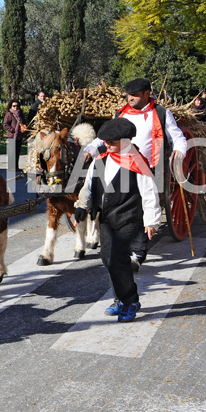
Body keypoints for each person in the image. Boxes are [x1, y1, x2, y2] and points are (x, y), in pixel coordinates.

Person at [83, 78, 187, 269]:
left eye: (135, 95)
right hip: (122, 164)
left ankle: (137, 254)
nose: (130, 98)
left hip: (149, 166)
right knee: (123, 206)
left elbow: (177, 136)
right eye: (128, 95)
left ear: (147, 94)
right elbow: (107, 135)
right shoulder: (121, 113)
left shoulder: (161, 113)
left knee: (140, 207)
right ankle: (118, 244)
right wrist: (91, 148)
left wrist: (179, 150)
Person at [74, 118, 160, 322]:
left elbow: (149, 193)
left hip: (128, 218)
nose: (107, 144)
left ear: (126, 140)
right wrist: (81, 205)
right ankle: (120, 298)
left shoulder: (136, 161)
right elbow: (89, 186)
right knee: (107, 259)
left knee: (116, 258)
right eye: (106, 141)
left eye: (112, 141)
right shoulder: (101, 160)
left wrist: (152, 221)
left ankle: (130, 301)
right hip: (106, 219)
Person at [3, 99, 25, 173]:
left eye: (17, 106)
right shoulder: (9, 114)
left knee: (17, 152)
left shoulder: (20, 113)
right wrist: (13, 130)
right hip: (12, 136)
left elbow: (23, 122)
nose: (16, 107)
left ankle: (16, 167)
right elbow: (5, 124)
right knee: (12, 152)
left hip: (19, 135)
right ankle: (11, 168)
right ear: (11, 106)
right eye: (14, 106)